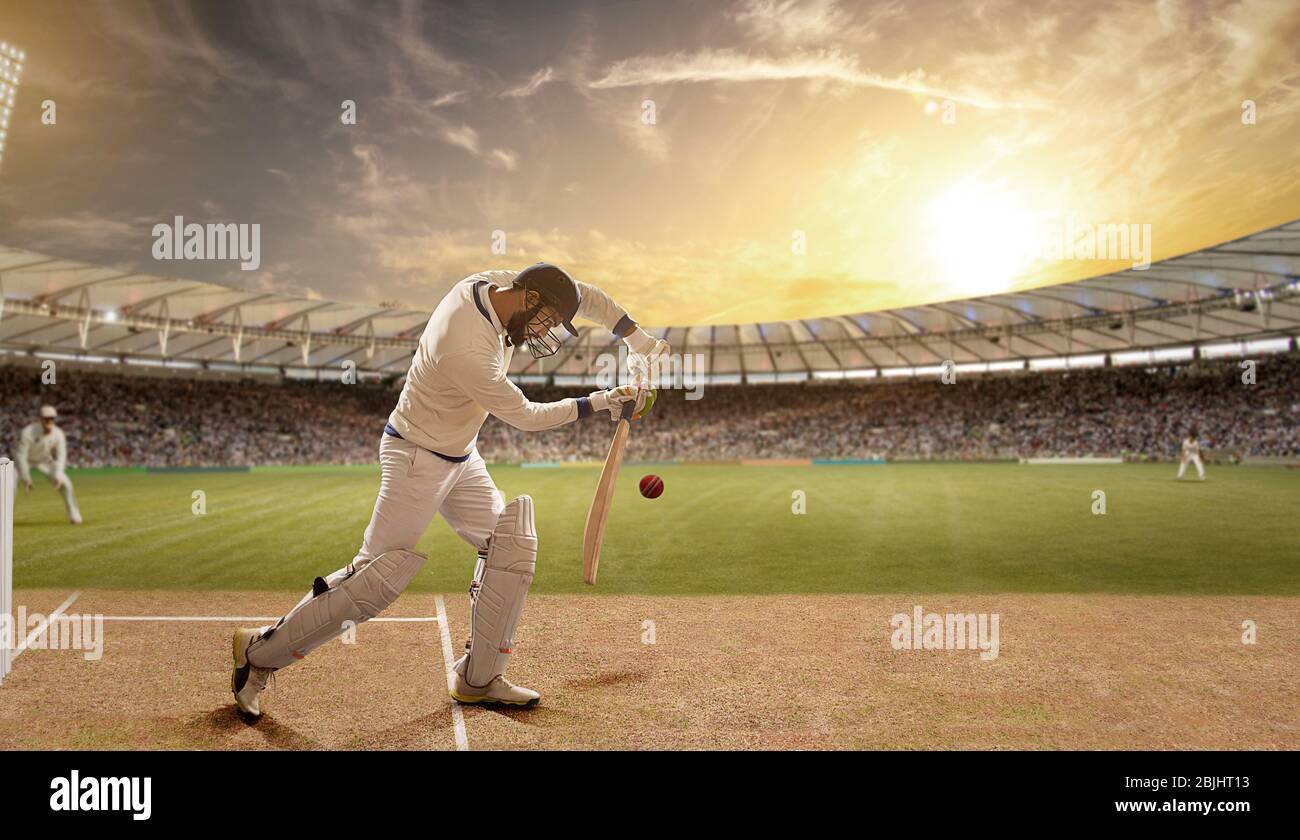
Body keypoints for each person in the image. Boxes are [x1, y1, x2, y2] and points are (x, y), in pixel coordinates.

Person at [230, 263, 668, 717]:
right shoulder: (465, 343)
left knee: (511, 547)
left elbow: (583, 295)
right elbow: (526, 416)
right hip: (416, 457)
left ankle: (479, 679)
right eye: (547, 320)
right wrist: (602, 401)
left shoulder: (503, 283)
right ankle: (258, 654)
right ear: (528, 299)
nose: (548, 333)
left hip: (461, 456)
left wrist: (636, 341)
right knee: (372, 582)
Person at [15, 405, 83, 524]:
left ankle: (74, 513)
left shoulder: (58, 434)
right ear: (40, 419)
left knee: (66, 484)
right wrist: (26, 477)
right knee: (7, 483)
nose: (49, 421)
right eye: (46, 418)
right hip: (25, 461)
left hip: (44, 461)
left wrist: (58, 475)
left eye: (51, 418)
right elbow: (21, 456)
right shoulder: (28, 432)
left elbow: (61, 455)